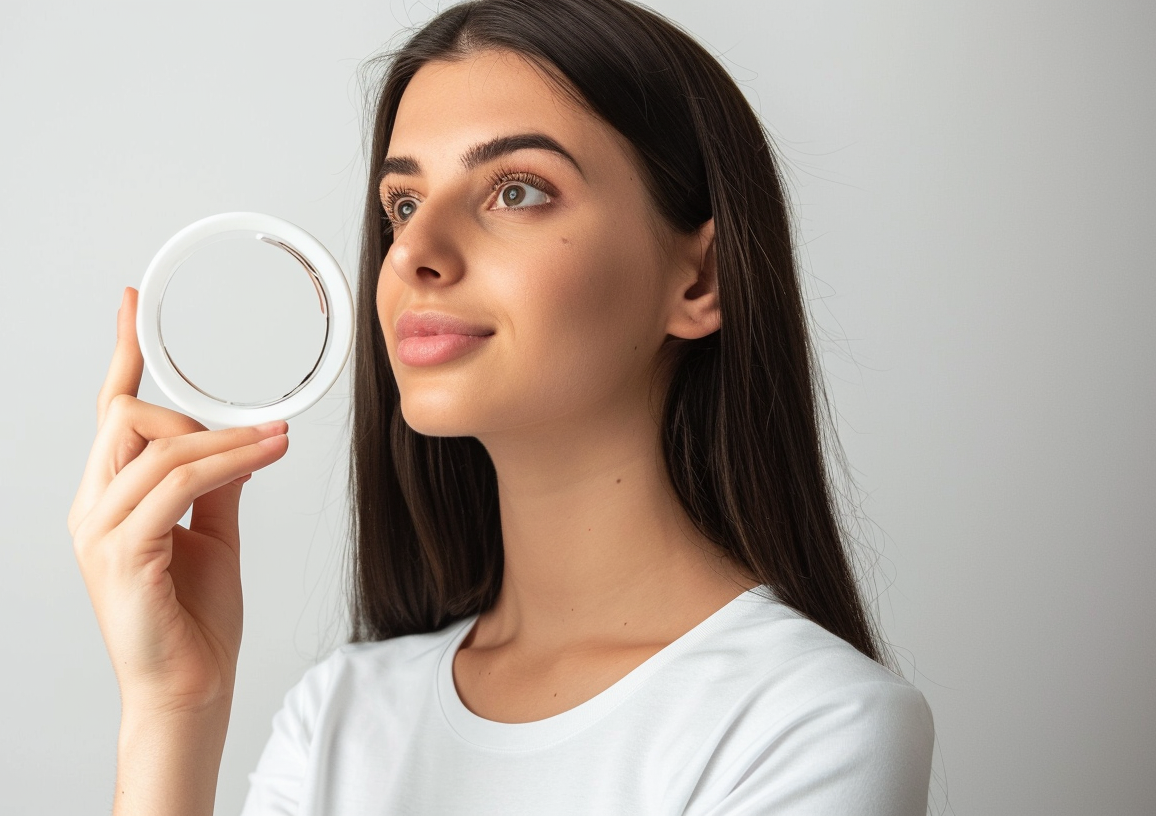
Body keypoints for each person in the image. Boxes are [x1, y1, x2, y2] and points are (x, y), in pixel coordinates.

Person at [67, 0, 936, 813]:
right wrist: (173, 710)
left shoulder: (811, 722)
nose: (413, 252)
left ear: (700, 278)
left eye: (516, 190)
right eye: (402, 204)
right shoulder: (338, 715)